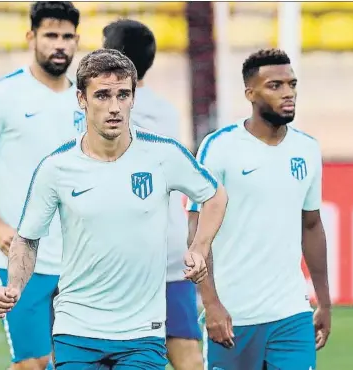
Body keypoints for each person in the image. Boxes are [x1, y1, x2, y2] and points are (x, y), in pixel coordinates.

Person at [0, 48, 228, 370]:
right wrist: (16, 285)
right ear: (81, 99)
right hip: (76, 331)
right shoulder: (56, 167)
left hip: (143, 334)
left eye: (123, 95)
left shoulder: (163, 154)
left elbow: (215, 195)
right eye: (102, 95)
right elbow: (27, 238)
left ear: (133, 97)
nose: (114, 107)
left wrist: (199, 248)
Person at [0, 2, 81, 369]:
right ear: (31, 37)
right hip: (22, 261)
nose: (60, 44)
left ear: (77, 41)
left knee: (77, 361)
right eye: (51, 35)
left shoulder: (86, 102)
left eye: (67, 37)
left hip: (80, 260)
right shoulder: (2, 95)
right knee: (33, 362)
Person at [187, 48, 332, 370]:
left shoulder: (307, 149)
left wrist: (323, 301)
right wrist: (210, 305)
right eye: (275, 86)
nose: (288, 93)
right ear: (250, 94)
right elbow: (196, 232)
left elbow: (311, 225)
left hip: (291, 314)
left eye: (292, 84)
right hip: (234, 316)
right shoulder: (219, 146)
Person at [102, 19, 204, 370]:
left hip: (122, 252)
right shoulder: (166, 112)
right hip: (171, 248)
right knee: (186, 349)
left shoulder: (97, 112)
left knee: (95, 351)